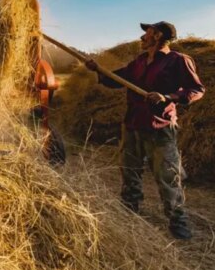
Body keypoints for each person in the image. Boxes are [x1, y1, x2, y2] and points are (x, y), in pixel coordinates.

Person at [85, 21, 205, 240]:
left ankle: (177, 219)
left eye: (146, 33)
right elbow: (117, 80)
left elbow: (197, 90)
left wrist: (167, 97)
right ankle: (129, 207)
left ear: (157, 35)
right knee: (129, 169)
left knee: (167, 175)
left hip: (159, 126)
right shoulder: (139, 62)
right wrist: (99, 71)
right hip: (132, 124)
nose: (142, 38)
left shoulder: (178, 61)